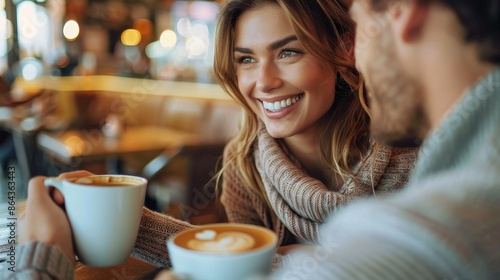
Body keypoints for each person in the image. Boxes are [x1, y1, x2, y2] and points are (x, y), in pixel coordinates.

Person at [2, 0, 422, 279]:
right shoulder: (246, 166)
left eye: (289, 52)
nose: (264, 82)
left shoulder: (420, 161)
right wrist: (125, 221)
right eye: (246, 59)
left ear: (343, 49)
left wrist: (138, 230)